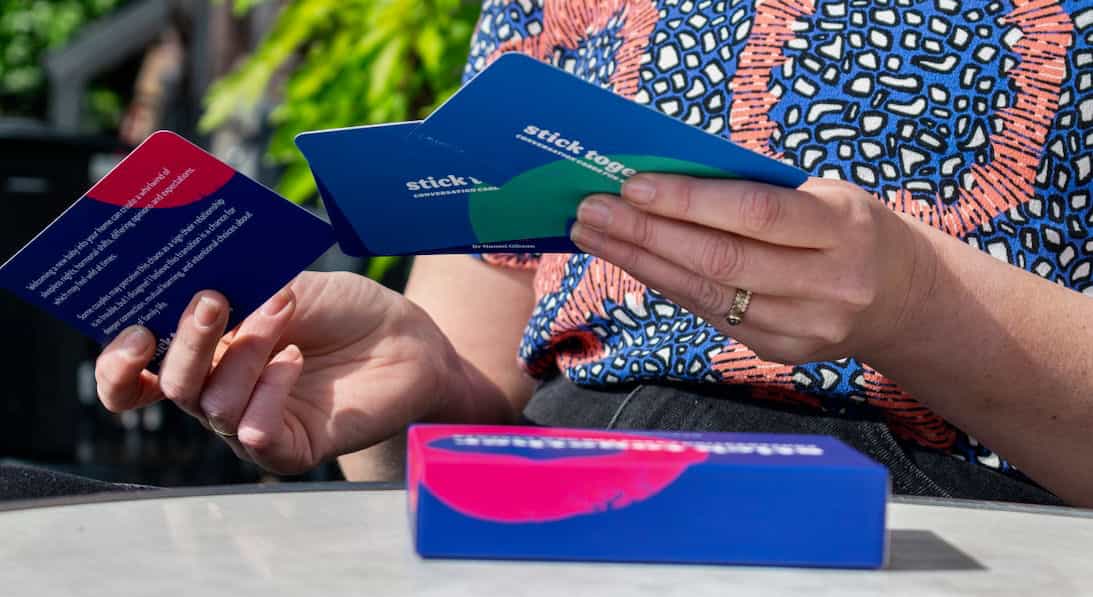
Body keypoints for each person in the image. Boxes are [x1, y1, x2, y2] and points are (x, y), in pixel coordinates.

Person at [95, 0, 1093, 507]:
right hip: (565, 496)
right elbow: (473, 396)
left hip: (945, 521)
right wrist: (411, 381)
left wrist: (914, 304)